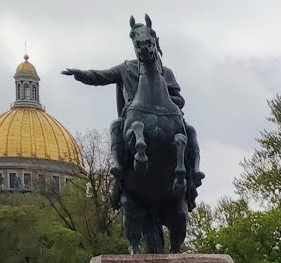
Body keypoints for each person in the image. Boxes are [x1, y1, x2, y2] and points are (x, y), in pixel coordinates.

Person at [62, 15, 203, 209]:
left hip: (167, 114)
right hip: (132, 116)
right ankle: (120, 168)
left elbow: (179, 98)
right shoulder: (125, 68)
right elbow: (100, 76)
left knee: (191, 131)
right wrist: (80, 74)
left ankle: (193, 173)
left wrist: (168, 102)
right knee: (116, 126)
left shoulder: (166, 72)